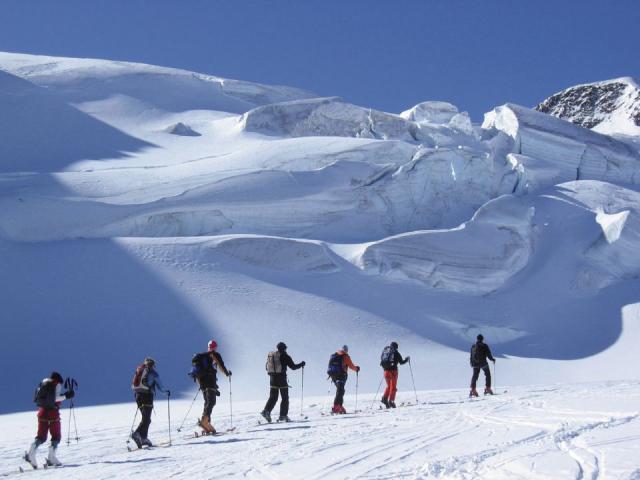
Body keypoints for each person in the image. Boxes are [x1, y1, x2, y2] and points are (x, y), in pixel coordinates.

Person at [25, 372, 75, 469]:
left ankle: (31, 453)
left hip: (42, 412)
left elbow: (50, 397)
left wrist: (63, 395)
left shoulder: (44, 384)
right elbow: (55, 398)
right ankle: (51, 458)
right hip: (52, 413)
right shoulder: (56, 384)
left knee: (41, 436)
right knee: (56, 435)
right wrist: (66, 396)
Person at [191, 340, 231, 434]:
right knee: (212, 402)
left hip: (201, 382)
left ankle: (206, 423)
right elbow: (221, 365)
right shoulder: (214, 355)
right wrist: (227, 373)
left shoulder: (202, 356)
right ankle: (205, 421)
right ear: (215, 347)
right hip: (210, 381)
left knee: (207, 402)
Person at [261, 342, 305, 423]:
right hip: (282, 379)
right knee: (285, 398)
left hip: (272, 378)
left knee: (273, 397)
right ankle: (283, 416)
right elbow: (293, 367)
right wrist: (301, 364)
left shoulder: (272, 355)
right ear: (284, 348)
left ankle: (266, 411)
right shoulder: (285, 356)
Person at [130, 357, 170, 448]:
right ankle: (137, 434)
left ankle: (143, 438)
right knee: (146, 419)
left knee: (146, 418)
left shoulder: (140, 370)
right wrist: (166, 392)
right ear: (153, 365)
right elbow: (161, 387)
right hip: (147, 397)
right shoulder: (153, 373)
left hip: (138, 396)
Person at [327, 345, 360, 414]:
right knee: (340, 390)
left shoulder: (334, 355)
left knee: (341, 390)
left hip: (333, 376)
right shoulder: (345, 356)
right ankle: (336, 406)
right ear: (346, 350)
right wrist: (357, 369)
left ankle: (339, 406)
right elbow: (351, 366)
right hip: (340, 376)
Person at [379, 342, 409, 408]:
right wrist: (407, 360)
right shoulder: (397, 353)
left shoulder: (386, 352)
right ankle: (391, 401)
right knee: (393, 387)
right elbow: (401, 362)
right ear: (396, 347)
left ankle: (384, 398)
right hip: (393, 372)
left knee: (389, 386)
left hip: (386, 371)